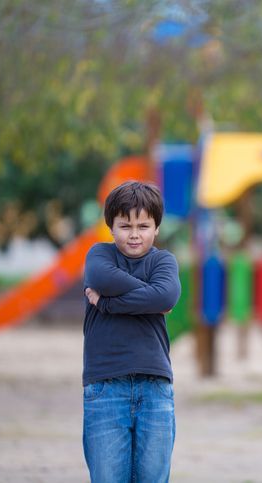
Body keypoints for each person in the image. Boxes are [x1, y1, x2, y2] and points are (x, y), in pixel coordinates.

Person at [82, 181, 181, 483]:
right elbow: (158, 297)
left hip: (155, 387)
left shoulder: (164, 261)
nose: (135, 234)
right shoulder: (100, 256)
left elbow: (166, 298)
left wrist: (109, 303)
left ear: (157, 228)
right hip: (106, 386)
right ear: (111, 226)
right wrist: (151, 296)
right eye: (125, 226)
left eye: (143, 225)